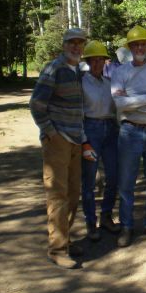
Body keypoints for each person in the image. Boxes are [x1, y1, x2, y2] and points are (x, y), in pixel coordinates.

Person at [30, 28, 87, 269]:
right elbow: (36, 104)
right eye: (71, 43)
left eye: (79, 43)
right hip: (58, 140)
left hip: (75, 139)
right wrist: (50, 132)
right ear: (64, 45)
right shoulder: (55, 68)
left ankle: (66, 239)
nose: (75, 47)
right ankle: (57, 249)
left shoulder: (77, 71)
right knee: (57, 196)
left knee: (73, 194)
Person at [111, 25, 146, 247]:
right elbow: (119, 103)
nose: (140, 47)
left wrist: (132, 100)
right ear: (130, 47)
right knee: (126, 183)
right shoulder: (120, 72)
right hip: (129, 132)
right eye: (135, 44)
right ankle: (126, 226)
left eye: (143, 43)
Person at [80, 40, 121, 242]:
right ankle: (90, 221)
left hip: (110, 130)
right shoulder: (81, 83)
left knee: (113, 176)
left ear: (105, 62)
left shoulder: (109, 83)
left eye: (100, 60)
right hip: (91, 130)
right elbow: (77, 114)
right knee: (89, 180)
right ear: (87, 62)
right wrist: (83, 140)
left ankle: (106, 215)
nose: (97, 64)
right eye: (93, 60)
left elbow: (117, 108)